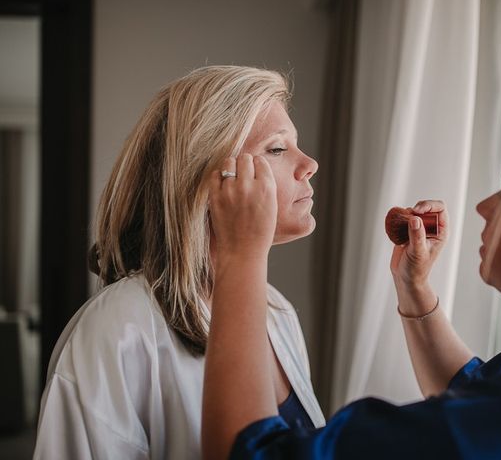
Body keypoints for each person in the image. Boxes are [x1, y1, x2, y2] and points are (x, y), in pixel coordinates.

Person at [202, 82, 501, 459]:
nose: (483, 207)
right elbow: (470, 384)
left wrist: (241, 255)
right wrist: (413, 288)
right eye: (277, 148)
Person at [33, 65, 324, 459]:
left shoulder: (277, 312)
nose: (310, 164)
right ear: (204, 178)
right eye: (276, 148)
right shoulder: (117, 330)